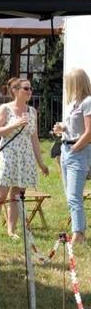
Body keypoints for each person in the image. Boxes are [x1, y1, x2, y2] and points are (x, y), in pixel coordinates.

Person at [0, 77, 49, 237]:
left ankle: (11, 230)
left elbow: (34, 138)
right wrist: (13, 125)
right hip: (8, 155)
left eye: (31, 88)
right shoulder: (5, 108)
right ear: (15, 91)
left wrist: (41, 163)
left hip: (25, 158)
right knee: (0, 195)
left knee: (17, 195)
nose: (30, 91)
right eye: (26, 88)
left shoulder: (32, 111)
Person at [53, 68, 91, 244]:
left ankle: (79, 234)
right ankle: (78, 230)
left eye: (69, 83)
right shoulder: (75, 102)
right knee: (69, 194)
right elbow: (75, 127)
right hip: (66, 149)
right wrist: (63, 128)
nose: (67, 87)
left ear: (77, 83)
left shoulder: (88, 102)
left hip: (78, 151)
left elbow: (89, 132)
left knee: (75, 196)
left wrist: (76, 147)